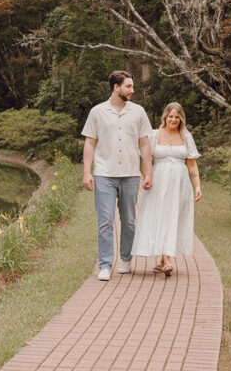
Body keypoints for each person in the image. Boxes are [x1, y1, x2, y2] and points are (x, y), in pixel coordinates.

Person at [81, 70, 153, 281]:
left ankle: (126, 259)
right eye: (128, 86)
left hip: (130, 174)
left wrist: (148, 172)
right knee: (105, 222)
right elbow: (90, 142)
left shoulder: (138, 112)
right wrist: (87, 172)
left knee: (129, 221)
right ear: (116, 87)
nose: (132, 90)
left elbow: (145, 144)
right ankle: (104, 264)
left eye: (132, 86)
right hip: (104, 173)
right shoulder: (97, 112)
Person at [131, 102, 201, 276]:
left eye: (177, 117)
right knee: (160, 216)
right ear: (165, 117)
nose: (174, 120)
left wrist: (197, 186)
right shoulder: (154, 135)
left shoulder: (186, 136)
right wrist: (147, 177)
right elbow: (145, 159)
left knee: (173, 217)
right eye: (171, 116)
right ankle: (165, 259)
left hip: (180, 183)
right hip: (159, 182)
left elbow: (192, 164)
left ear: (181, 119)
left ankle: (164, 259)